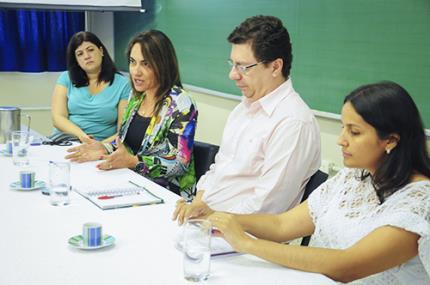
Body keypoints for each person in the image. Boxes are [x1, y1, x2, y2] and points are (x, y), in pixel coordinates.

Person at [207, 81, 430, 284]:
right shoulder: (352, 178)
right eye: (343, 127)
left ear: (390, 140)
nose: (341, 140)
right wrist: (222, 218)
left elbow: (346, 266)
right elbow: (282, 225)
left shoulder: (419, 203)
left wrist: (247, 244)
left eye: (354, 132)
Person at [173, 15, 321, 223]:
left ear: (275, 67)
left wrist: (212, 219)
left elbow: (268, 206)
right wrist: (198, 204)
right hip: (211, 221)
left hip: (245, 237)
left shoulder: (293, 122)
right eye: (232, 64)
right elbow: (219, 168)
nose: (233, 75)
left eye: (243, 67)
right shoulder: (243, 108)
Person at [65, 30, 198, 197]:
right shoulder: (136, 97)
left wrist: (134, 162)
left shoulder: (181, 103)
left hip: (168, 194)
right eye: (132, 62)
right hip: (132, 183)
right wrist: (102, 147)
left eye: (146, 64)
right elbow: (126, 144)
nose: (136, 71)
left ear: (163, 64)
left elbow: (179, 163)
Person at [51, 31, 131, 142]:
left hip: (102, 147)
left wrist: (99, 146)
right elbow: (58, 118)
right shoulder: (66, 78)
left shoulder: (123, 84)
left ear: (101, 51)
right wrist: (83, 137)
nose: (87, 56)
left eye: (90, 50)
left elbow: (122, 132)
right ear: (77, 61)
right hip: (65, 142)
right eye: (80, 54)